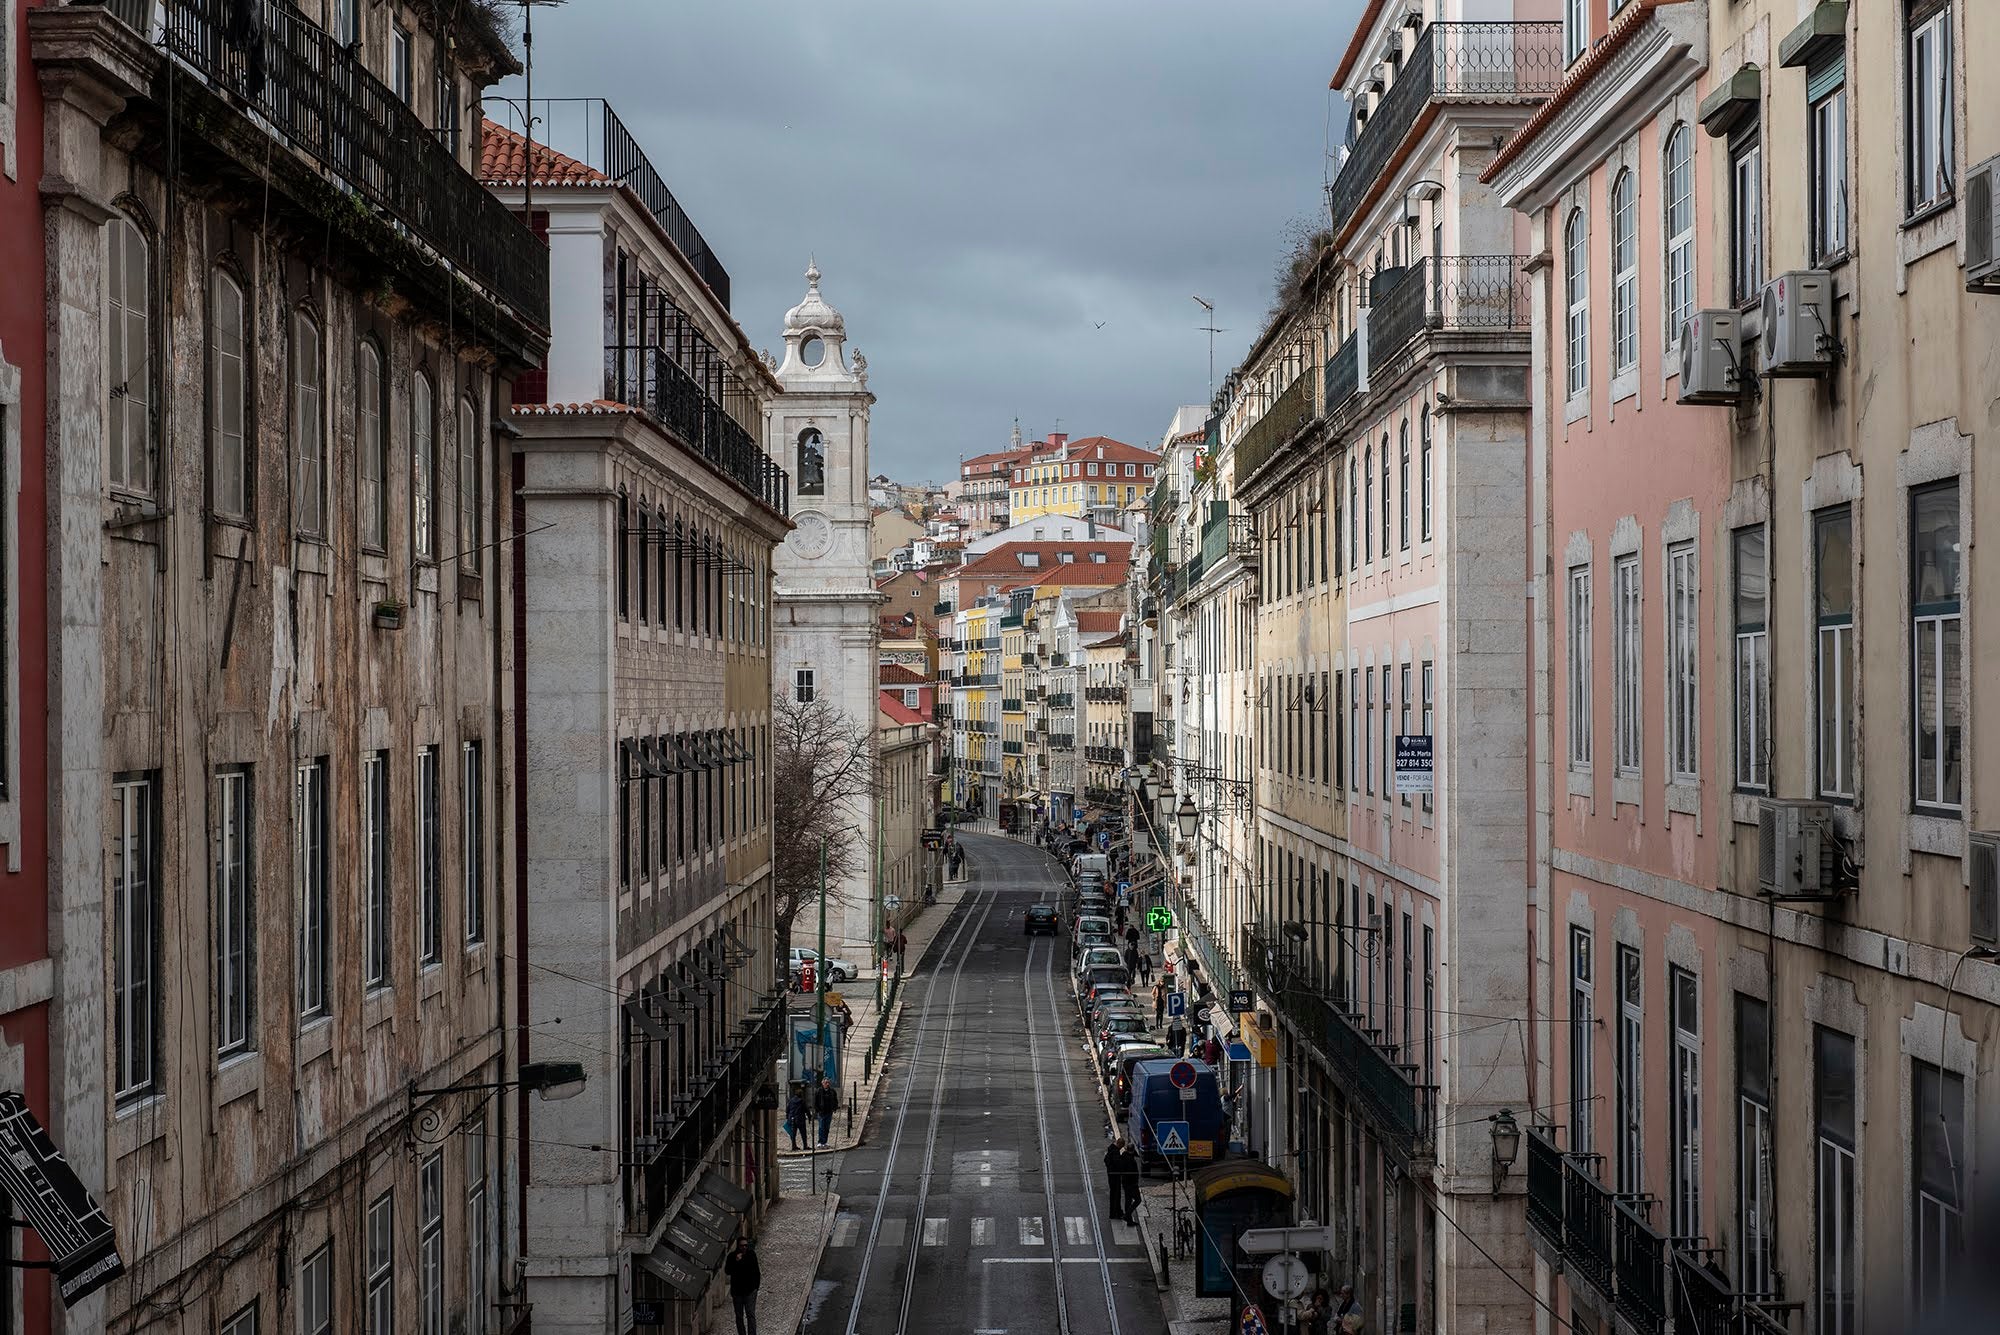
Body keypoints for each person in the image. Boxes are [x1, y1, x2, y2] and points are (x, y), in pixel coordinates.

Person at [723, 1235, 762, 1335]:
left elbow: (756, 1271)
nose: (744, 1247)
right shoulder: (732, 1257)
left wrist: (756, 1287)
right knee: (739, 1316)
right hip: (737, 1292)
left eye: (746, 1245)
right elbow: (728, 1271)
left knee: (750, 1314)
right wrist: (736, 1261)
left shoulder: (751, 1255)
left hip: (750, 1291)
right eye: (742, 1246)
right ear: (738, 1246)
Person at [1102, 1137, 1129, 1227]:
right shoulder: (1115, 1152)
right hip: (1115, 1176)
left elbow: (1106, 1160)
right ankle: (1116, 1213)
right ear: (1120, 1144)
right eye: (1121, 1146)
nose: (1121, 1148)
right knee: (1116, 1194)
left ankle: (1114, 1212)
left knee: (1113, 1194)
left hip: (1111, 1175)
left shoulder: (1111, 1149)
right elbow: (1118, 1164)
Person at [1116, 1138, 1142, 1224]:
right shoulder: (1130, 1159)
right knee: (1138, 1200)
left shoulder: (1124, 1156)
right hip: (1131, 1184)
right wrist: (1135, 1183)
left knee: (1128, 1200)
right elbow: (1132, 1173)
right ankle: (1127, 1215)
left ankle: (1129, 1220)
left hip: (1125, 1183)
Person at [813, 1077, 838, 1147]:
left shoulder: (832, 1091)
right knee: (821, 1127)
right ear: (822, 1083)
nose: (827, 1084)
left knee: (827, 1128)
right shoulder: (818, 1091)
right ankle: (820, 1141)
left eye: (828, 1083)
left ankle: (825, 1141)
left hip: (829, 1112)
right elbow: (815, 1102)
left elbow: (835, 1100)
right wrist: (817, 1110)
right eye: (826, 1083)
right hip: (821, 1113)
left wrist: (834, 1108)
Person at [784, 1087, 807, 1151]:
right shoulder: (802, 1101)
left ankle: (794, 1146)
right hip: (800, 1119)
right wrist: (809, 1116)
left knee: (793, 1134)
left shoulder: (791, 1100)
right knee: (803, 1133)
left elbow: (787, 1109)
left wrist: (787, 1117)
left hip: (792, 1119)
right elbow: (806, 1109)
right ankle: (805, 1145)